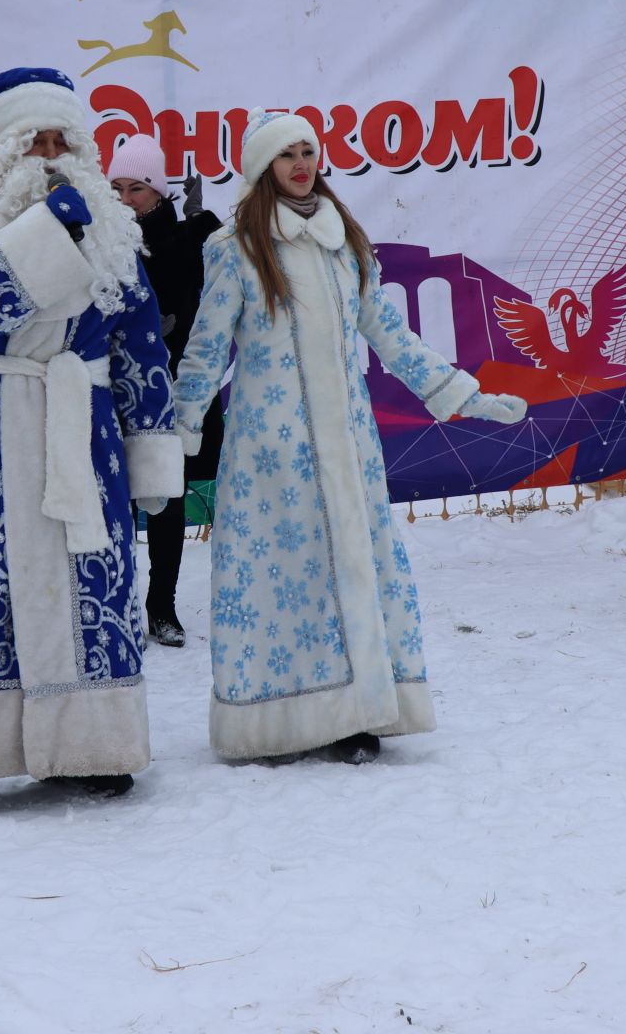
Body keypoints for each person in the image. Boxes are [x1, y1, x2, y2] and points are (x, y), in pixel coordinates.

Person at [172, 111, 526, 764]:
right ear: (262, 168)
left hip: (349, 446)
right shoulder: (234, 249)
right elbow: (204, 350)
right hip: (269, 451)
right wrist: (179, 433)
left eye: (309, 150)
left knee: (353, 575)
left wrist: (461, 393)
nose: (302, 163)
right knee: (279, 581)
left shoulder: (345, 244)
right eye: (287, 154)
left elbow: (391, 335)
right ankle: (274, 720)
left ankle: (356, 712)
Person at [0, 68, 183, 832]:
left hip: (85, 424)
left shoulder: (111, 224)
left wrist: (152, 445)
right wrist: (45, 232)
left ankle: (93, 748)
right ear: (0, 145)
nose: (50, 150)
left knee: (92, 575)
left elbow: (138, 341)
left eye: (62, 137)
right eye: (33, 137)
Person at [108, 133, 224, 648]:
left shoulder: (189, 238)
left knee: (166, 498)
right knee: (111, 500)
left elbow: (215, 282)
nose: (127, 200)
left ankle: (162, 606)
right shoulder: (100, 238)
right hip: (108, 384)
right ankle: (114, 604)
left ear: (159, 193)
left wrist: (206, 231)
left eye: (137, 189)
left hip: (170, 385)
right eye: (117, 188)